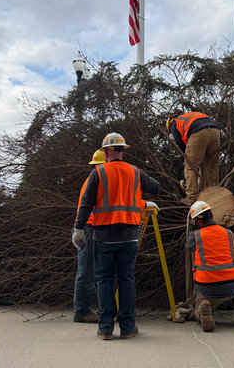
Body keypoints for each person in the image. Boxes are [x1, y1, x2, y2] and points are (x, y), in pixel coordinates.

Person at [72, 132, 161, 340]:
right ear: (123, 150)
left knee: (104, 281)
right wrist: (142, 199)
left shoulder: (98, 173)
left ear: (105, 151)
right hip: (130, 236)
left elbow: (86, 204)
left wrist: (78, 228)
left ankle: (105, 328)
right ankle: (128, 328)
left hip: (104, 236)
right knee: (127, 280)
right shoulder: (135, 172)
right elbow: (156, 188)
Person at [185, 200, 234, 332]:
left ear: (198, 221)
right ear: (211, 216)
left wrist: (193, 232)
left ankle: (203, 312)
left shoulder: (196, 235)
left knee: (199, 304)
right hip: (232, 284)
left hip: (208, 287)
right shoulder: (229, 233)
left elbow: (188, 247)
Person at [72, 150, 105, 324]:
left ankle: (95, 310)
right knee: (87, 271)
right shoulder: (98, 179)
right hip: (89, 228)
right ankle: (82, 311)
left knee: (94, 270)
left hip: (89, 227)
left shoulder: (94, 179)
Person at [166, 112, 220, 205]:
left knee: (190, 167)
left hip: (199, 133)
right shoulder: (189, 117)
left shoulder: (175, 123)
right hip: (215, 132)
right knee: (212, 166)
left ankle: (191, 197)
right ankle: (213, 196)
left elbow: (180, 145)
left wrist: (185, 160)